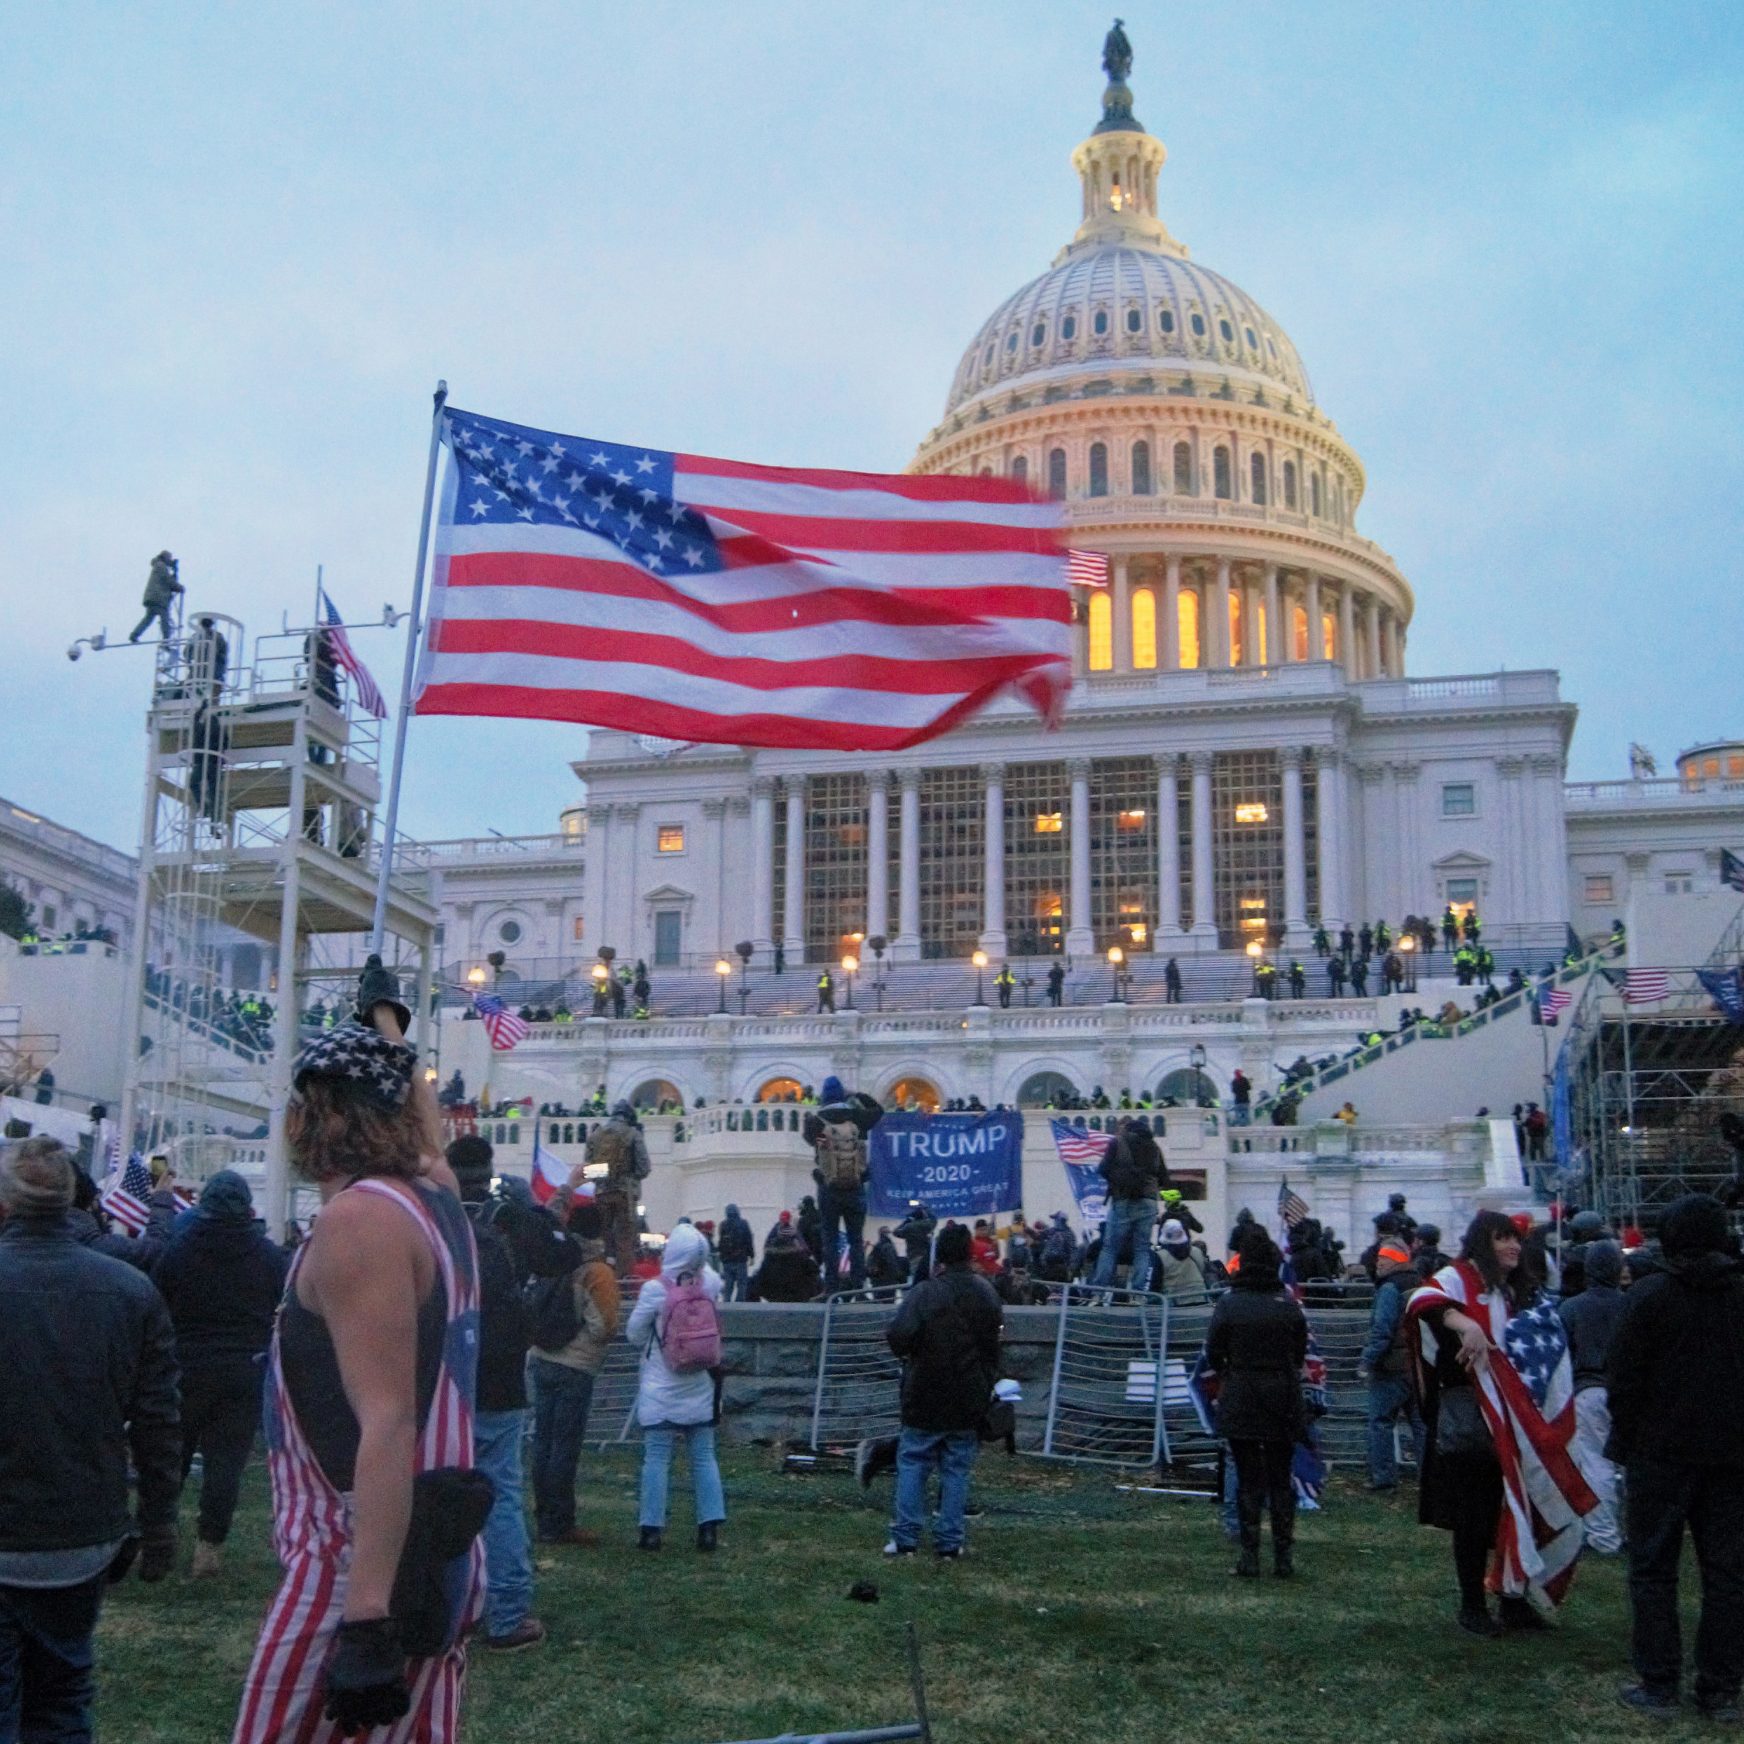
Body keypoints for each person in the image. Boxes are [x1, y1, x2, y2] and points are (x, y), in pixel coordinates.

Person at [233, 963, 482, 1744]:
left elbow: (387, 1421)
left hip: (356, 1558)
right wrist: (388, 1030)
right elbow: (426, 1128)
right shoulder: (436, 1198)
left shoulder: (360, 1224)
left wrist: (365, 1621)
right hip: (434, 1550)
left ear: (315, 1117)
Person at [0, 1138, 180, 1738]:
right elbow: (157, 1421)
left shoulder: (127, 1289)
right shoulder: (130, 1291)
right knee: (62, 1700)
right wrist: (158, 1523)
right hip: (83, 1535)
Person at [1404, 1209, 1591, 1639]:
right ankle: (1473, 1605)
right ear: (1481, 1242)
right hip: (1474, 1421)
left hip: (1518, 1421)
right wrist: (1464, 1321)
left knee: (1515, 1510)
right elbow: (1423, 1302)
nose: (1512, 1246)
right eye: (1502, 1239)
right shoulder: (1458, 1278)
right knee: (1474, 1515)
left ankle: (1513, 1601)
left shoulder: (1516, 1289)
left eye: (1516, 1240)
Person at [1607, 1193, 1744, 1718]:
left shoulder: (1648, 1298)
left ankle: (1660, 1682)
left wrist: (1628, 1437)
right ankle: (1720, 1688)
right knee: (1728, 1574)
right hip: (1732, 1455)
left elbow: (1623, 1378)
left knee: (1653, 1568)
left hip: (1659, 1453)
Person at [153, 1169, 288, 1577]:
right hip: (244, 1369)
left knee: (170, 1458)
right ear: (248, 1209)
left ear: (202, 1205)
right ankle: (209, 1547)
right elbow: (280, 1311)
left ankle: (160, 1538)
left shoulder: (178, 1250)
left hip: (186, 1367)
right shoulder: (267, 1256)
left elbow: (157, 1307)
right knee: (226, 1462)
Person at [445, 1135, 545, 1650]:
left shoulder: (436, 1224)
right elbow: (560, 1255)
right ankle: (506, 1611)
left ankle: (445, 1608)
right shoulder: (508, 1225)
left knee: (440, 1495)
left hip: (447, 1381)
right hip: (502, 1381)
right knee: (501, 1496)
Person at [882, 1222, 1003, 1559]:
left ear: (939, 1256)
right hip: (969, 1395)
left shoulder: (925, 1293)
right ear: (968, 1252)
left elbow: (898, 1336)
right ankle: (949, 1541)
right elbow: (995, 1345)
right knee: (957, 1468)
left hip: (925, 1391)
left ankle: (905, 1537)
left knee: (913, 1462)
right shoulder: (986, 1293)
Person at [1204, 1228, 1308, 1577]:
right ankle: (1283, 1557)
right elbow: (1299, 1352)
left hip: (1242, 1391)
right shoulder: (1288, 1304)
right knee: (1281, 1479)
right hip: (1282, 1391)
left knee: (1248, 1478)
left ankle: (1249, 1556)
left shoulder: (1229, 1303)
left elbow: (1214, 1352)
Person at [627, 1225, 726, 1552]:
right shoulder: (709, 1283)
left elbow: (634, 1334)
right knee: (704, 1457)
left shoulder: (655, 1290)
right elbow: (709, 1271)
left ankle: (651, 1530)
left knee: (656, 1458)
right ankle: (709, 1528)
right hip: (699, 1384)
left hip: (661, 1385)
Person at [528, 1200, 620, 1547]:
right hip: (575, 1366)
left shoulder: (553, 1260)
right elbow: (604, 1326)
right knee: (565, 1446)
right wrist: (579, 1346)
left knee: (542, 1443)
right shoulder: (597, 1271)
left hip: (541, 1358)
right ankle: (560, 1523)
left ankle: (543, 1518)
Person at [1556, 1238, 1625, 1557]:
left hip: (1589, 1390)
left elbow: (1562, 1356)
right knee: (1630, 1465)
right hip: (1629, 1391)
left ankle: (1604, 1535)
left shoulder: (1572, 1308)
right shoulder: (1632, 1304)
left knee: (1595, 1463)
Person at [1357, 1234, 1426, 1492]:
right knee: (1420, 1424)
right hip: (1416, 1365)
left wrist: (1367, 1361)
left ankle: (1383, 1479)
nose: (1377, 1264)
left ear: (1388, 1262)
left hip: (1390, 1367)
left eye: (1381, 1260)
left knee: (1381, 1422)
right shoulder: (1419, 1283)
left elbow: (1382, 1329)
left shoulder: (1388, 1288)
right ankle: (1428, 1478)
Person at [805, 1075, 883, 1292]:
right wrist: (856, 1095)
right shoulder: (856, 1118)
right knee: (856, 1241)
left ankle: (831, 1289)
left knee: (830, 1241)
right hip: (855, 1188)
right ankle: (858, 1288)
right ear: (842, 1094)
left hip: (828, 1189)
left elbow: (812, 1141)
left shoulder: (816, 1122)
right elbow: (878, 1110)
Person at [1090, 1118, 1162, 1295]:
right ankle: (1138, 1294)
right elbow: (1163, 1176)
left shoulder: (1117, 1143)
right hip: (1148, 1201)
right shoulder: (1154, 1147)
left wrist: (1117, 1181)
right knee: (1142, 1249)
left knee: (1109, 1248)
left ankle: (1098, 1291)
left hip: (1123, 1199)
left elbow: (1102, 1169)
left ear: (1126, 1129)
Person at [588, 1099, 651, 1275]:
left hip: (601, 1194)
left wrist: (605, 1177)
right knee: (625, 1239)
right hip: (625, 1194)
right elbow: (644, 1168)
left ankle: (604, 1276)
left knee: (602, 1238)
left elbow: (589, 1170)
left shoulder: (596, 1135)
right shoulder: (633, 1134)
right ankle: (623, 1283)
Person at [749, 1217, 821, 1301]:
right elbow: (815, 1271)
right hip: (798, 1296)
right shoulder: (801, 1257)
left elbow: (760, 1280)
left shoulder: (770, 1257)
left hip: (775, 1296)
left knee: (752, 1280)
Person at [128, 549, 182, 643]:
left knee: (148, 619)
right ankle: (166, 640)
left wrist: (175, 571)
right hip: (159, 598)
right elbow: (169, 581)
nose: (170, 560)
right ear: (165, 557)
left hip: (153, 598)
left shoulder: (159, 566)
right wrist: (180, 587)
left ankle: (134, 635)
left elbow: (169, 581)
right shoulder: (161, 566)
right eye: (169, 558)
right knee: (164, 619)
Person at [1155, 1218, 1210, 1299]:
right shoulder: (1196, 1251)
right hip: (1199, 1296)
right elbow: (1202, 1269)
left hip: (1171, 1301)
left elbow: (1156, 1280)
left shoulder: (1159, 1256)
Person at [716, 1201, 755, 1302]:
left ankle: (727, 1306)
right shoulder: (743, 1223)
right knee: (742, 1284)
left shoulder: (723, 1225)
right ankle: (739, 1307)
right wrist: (752, 1255)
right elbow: (748, 1240)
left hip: (727, 1261)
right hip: (741, 1259)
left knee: (728, 1285)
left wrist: (722, 1257)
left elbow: (720, 1243)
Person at [893, 1200, 938, 1284]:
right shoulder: (926, 1225)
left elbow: (895, 1232)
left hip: (913, 1256)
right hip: (926, 1255)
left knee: (917, 1282)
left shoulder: (908, 1227)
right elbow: (934, 1220)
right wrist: (926, 1208)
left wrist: (906, 1221)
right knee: (929, 1281)